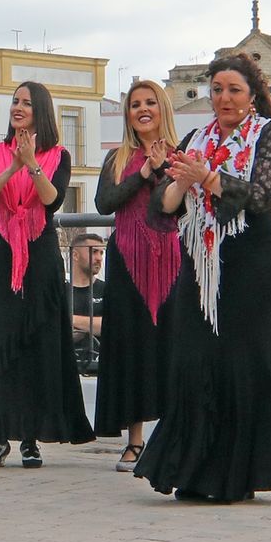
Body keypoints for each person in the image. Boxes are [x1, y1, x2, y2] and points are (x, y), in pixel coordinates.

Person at [134, 51, 271, 503]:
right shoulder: (196, 137)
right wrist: (180, 182)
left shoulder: (270, 136)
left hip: (250, 262)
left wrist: (207, 177)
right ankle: (193, 470)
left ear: (252, 95)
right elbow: (162, 209)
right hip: (201, 261)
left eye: (233, 90)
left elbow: (261, 196)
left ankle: (240, 473)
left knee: (242, 360)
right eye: (217, 90)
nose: (224, 98)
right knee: (195, 358)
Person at [0, 81, 94, 469]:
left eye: (26, 103)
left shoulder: (58, 155)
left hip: (40, 254)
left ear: (41, 112)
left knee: (37, 343)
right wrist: (13, 167)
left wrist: (32, 163)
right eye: (15, 102)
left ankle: (31, 438)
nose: (17, 107)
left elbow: (51, 201)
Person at [93, 78, 181, 472]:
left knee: (171, 346)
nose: (142, 109)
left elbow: (179, 209)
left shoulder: (182, 156)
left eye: (150, 102)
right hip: (127, 261)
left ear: (162, 108)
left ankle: (175, 435)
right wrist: (144, 171)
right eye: (134, 104)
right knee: (131, 348)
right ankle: (134, 440)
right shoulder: (116, 159)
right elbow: (103, 204)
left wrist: (163, 169)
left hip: (173, 261)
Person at [68, 233, 106, 374]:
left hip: (99, 369)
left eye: (101, 253)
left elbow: (111, 325)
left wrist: (72, 319)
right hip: (67, 369)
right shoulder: (60, 291)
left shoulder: (107, 290)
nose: (99, 258)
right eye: (93, 251)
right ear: (75, 255)